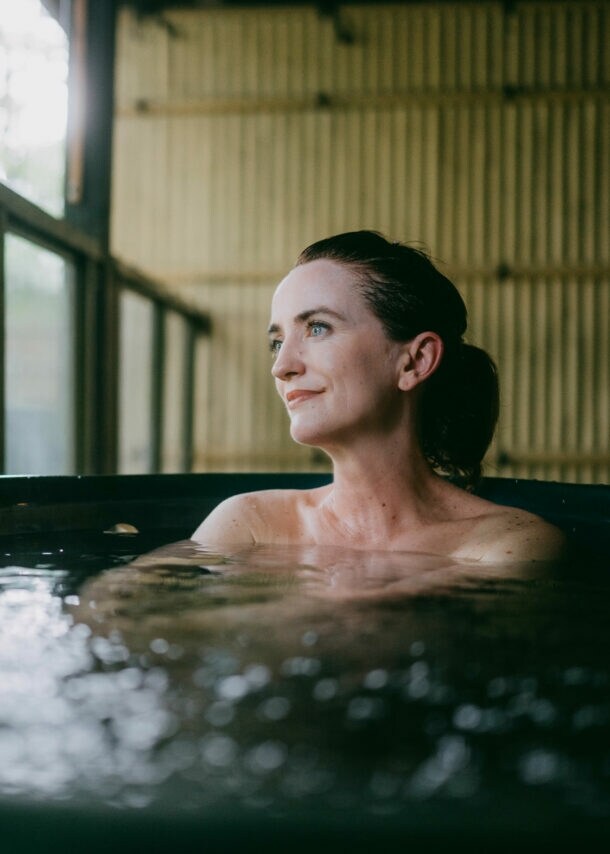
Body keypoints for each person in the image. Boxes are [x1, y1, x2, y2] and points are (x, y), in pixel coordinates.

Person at [193, 231, 565, 563]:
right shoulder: (248, 525)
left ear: (415, 361)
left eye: (317, 328)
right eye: (277, 343)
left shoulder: (507, 547)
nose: (282, 366)